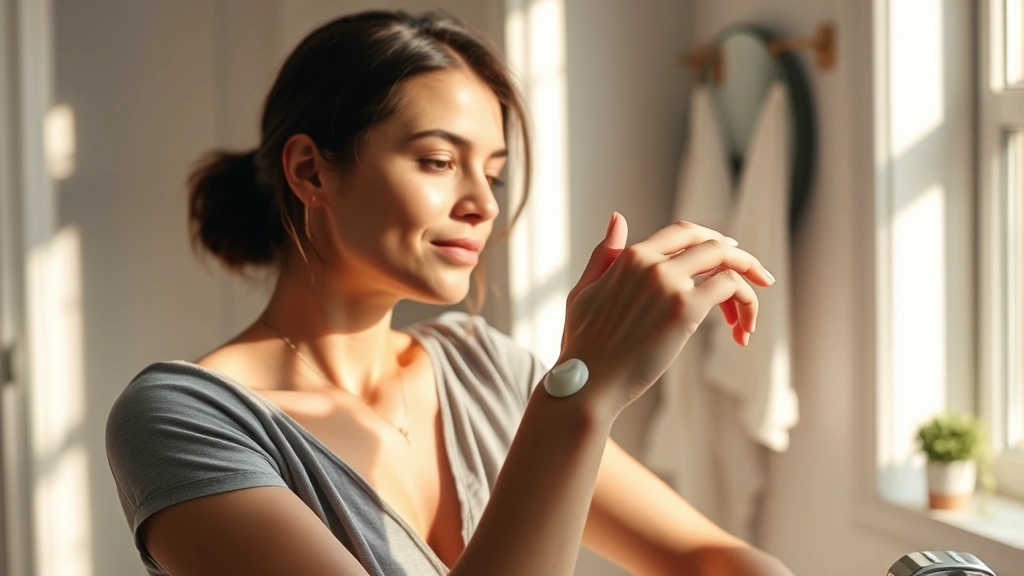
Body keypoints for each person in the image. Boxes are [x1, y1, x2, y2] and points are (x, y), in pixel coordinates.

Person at [105, 9, 793, 576]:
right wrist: (583, 391)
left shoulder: (484, 368)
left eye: (492, 173)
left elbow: (707, 556)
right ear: (311, 171)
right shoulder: (183, 420)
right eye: (438, 161)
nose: (483, 204)